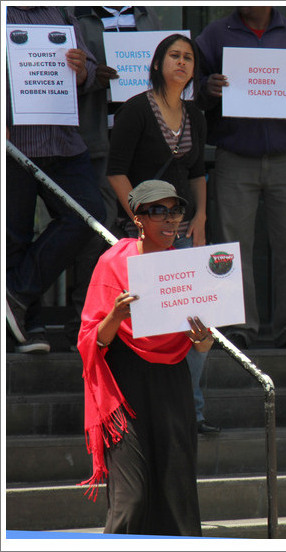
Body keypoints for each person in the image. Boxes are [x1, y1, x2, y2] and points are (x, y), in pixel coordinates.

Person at [77, 180, 212, 535]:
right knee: (131, 498)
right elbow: (91, 341)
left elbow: (198, 345)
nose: (171, 221)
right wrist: (116, 317)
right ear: (138, 218)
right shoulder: (113, 262)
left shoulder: (183, 267)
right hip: (125, 387)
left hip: (172, 382)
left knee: (177, 492)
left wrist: (203, 340)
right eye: (159, 212)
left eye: (176, 211)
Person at [195, 6, 286, 349]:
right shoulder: (215, 33)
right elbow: (188, 87)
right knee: (231, 246)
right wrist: (207, 89)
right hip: (234, 155)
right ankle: (238, 326)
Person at [106, 33, 219, 434]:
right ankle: (152, 411)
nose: (182, 62)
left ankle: (193, 412)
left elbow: (196, 173)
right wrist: (139, 216)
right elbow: (116, 170)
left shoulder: (197, 115)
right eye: (174, 55)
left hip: (185, 230)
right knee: (151, 325)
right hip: (146, 234)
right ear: (157, 63)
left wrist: (202, 218)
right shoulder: (135, 110)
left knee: (196, 321)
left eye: (188, 57)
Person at [6, 6, 105, 354]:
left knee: (89, 216)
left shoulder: (61, 14)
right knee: (14, 237)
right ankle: (29, 327)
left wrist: (81, 71)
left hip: (63, 140)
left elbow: (91, 71)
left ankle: (14, 292)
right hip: (12, 143)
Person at [67, 6, 162, 346]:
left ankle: (143, 321)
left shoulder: (148, 17)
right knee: (98, 232)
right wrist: (91, 76)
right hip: (96, 140)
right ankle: (89, 319)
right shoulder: (76, 13)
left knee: (144, 234)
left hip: (143, 146)